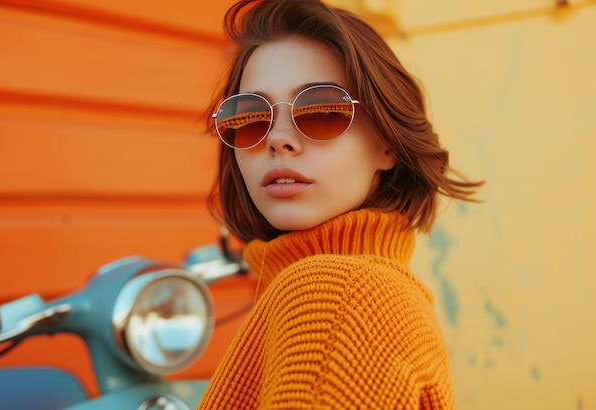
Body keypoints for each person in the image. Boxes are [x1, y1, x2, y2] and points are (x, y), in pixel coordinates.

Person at [199, 0, 483, 408]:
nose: (278, 138)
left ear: (386, 142)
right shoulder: (377, 289)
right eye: (250, 116)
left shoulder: (336, 294)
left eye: (321, 111)